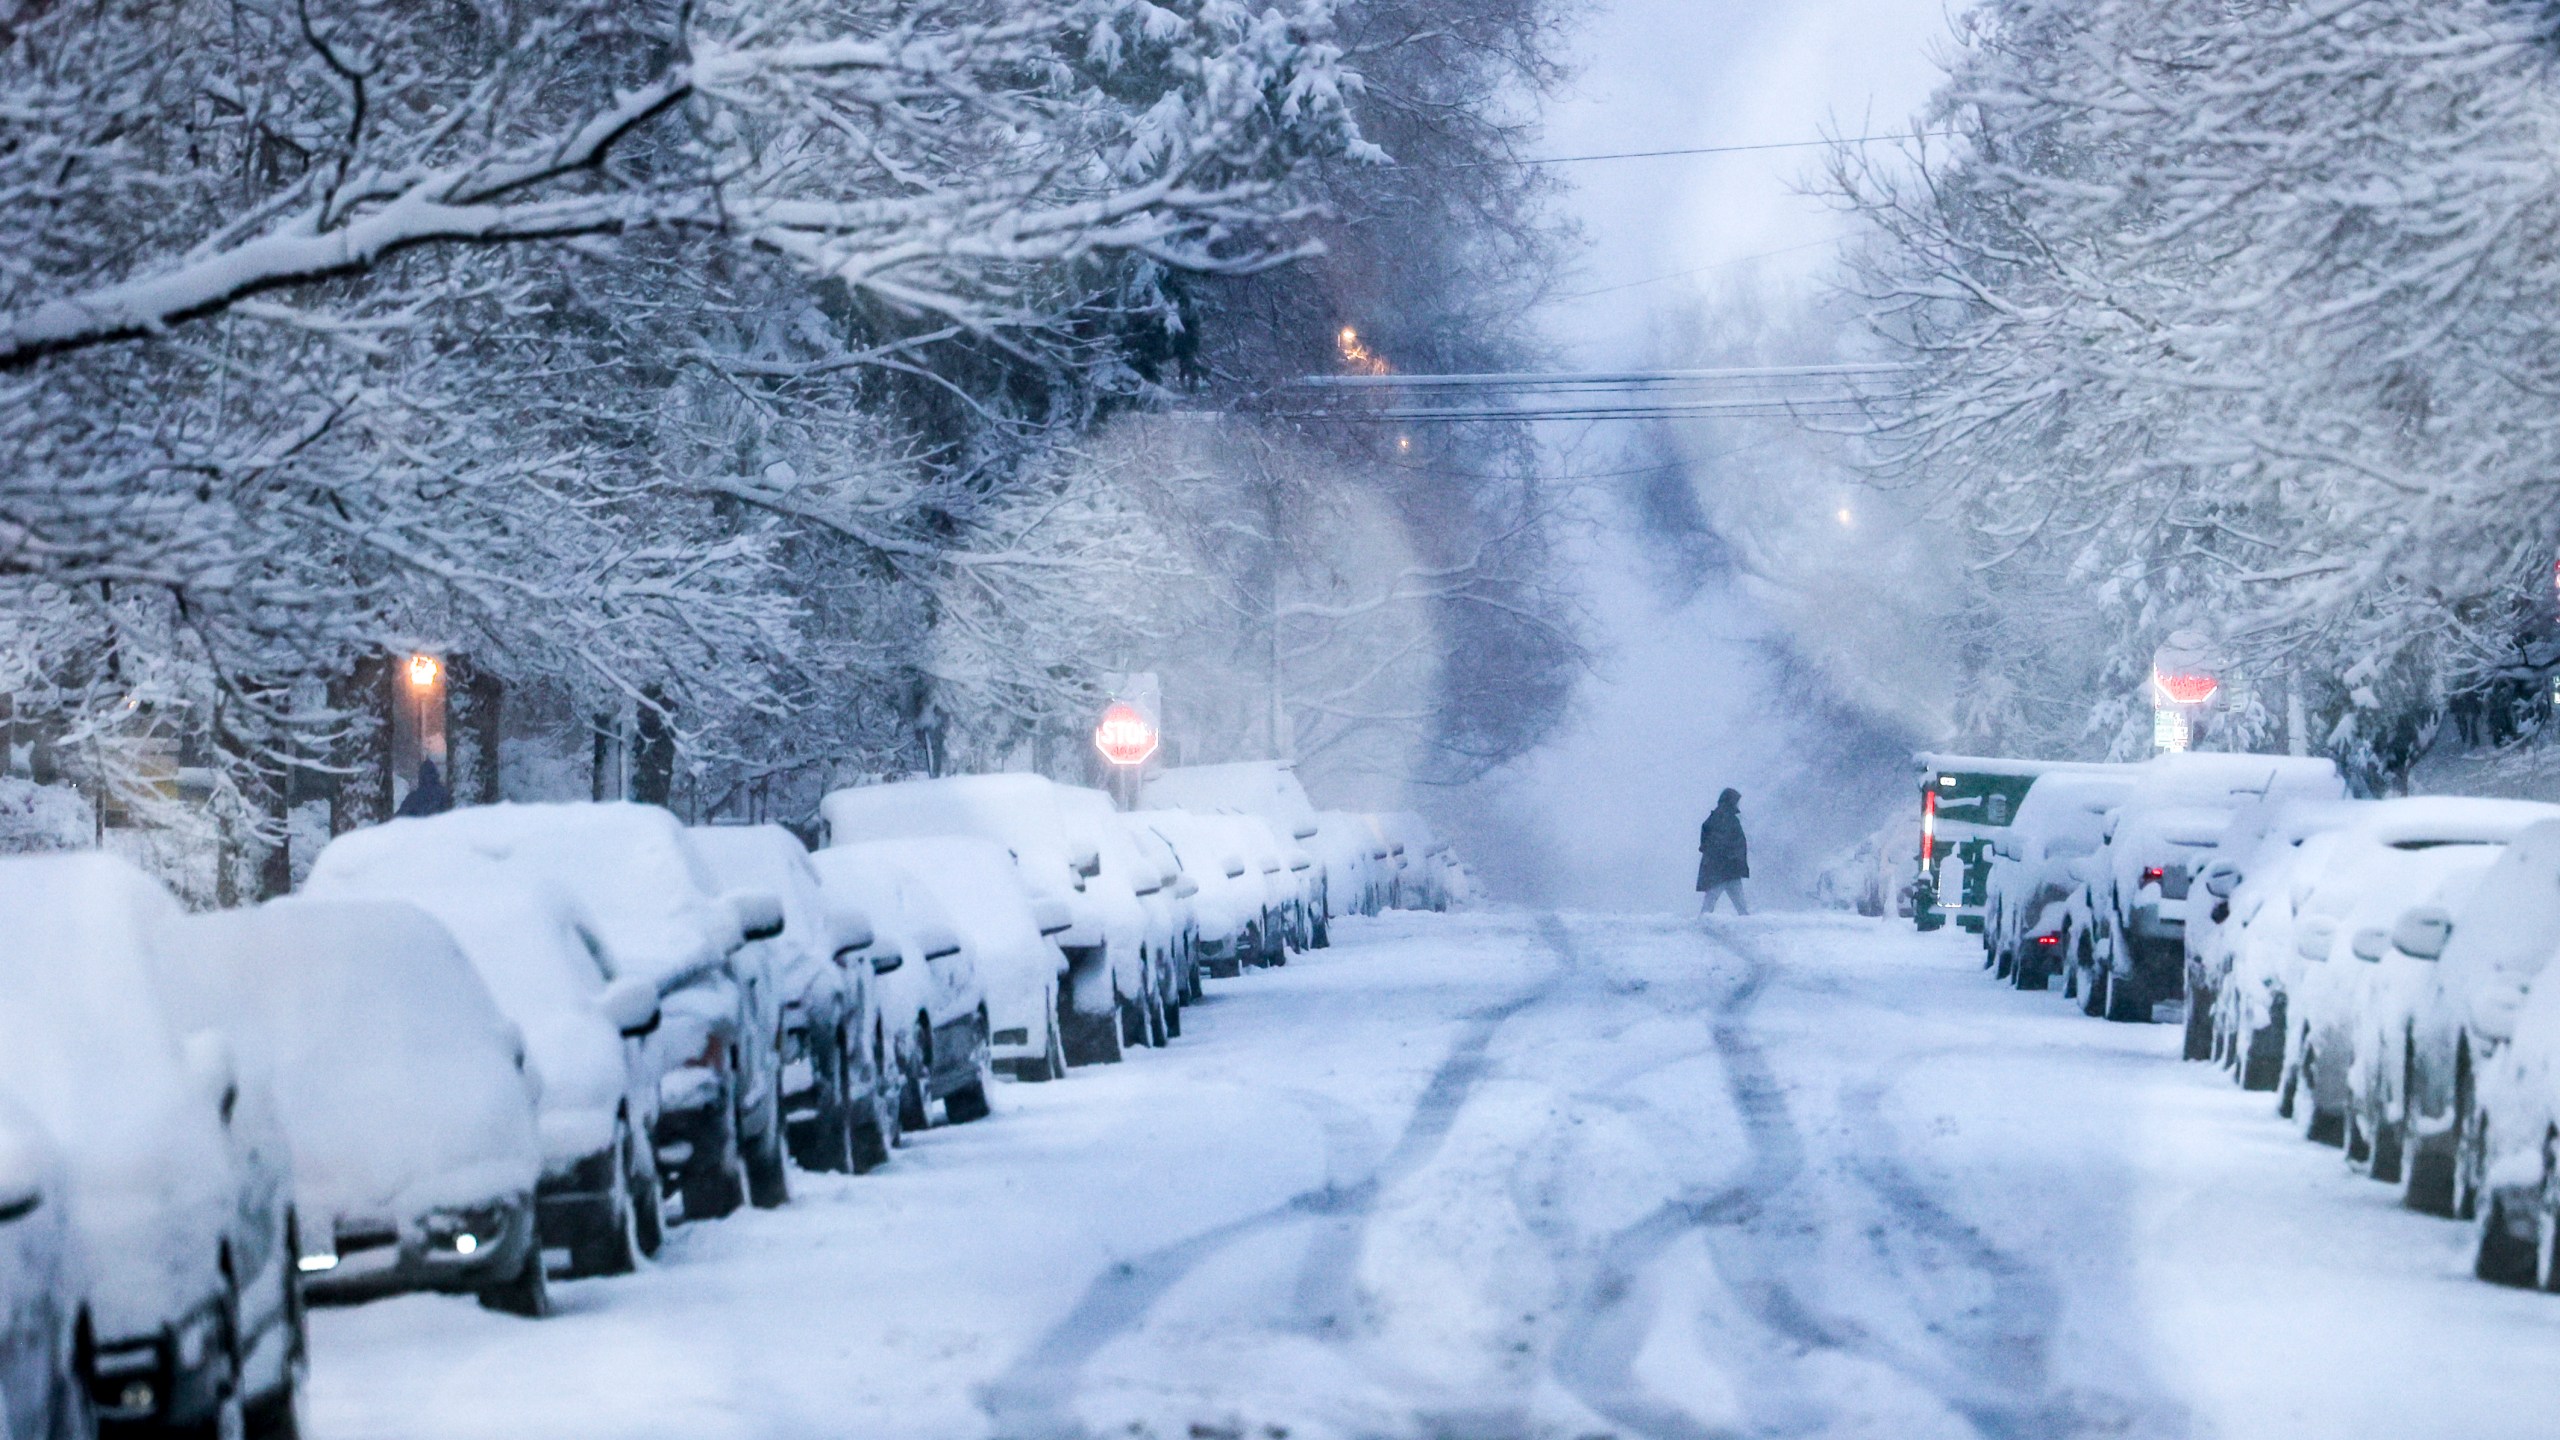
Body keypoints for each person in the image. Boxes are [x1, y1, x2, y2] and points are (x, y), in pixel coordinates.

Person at [1697, 788, 1750, 915]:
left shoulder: (1714, 818)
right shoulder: (1728, 819)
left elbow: (1707, 843)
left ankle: (1701, 927)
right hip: (1728, 869)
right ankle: (1747, 929)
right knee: (1741, 906)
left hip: (1718, 870)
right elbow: (1733, 843)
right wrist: (1733, 856)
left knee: (1709, 904)